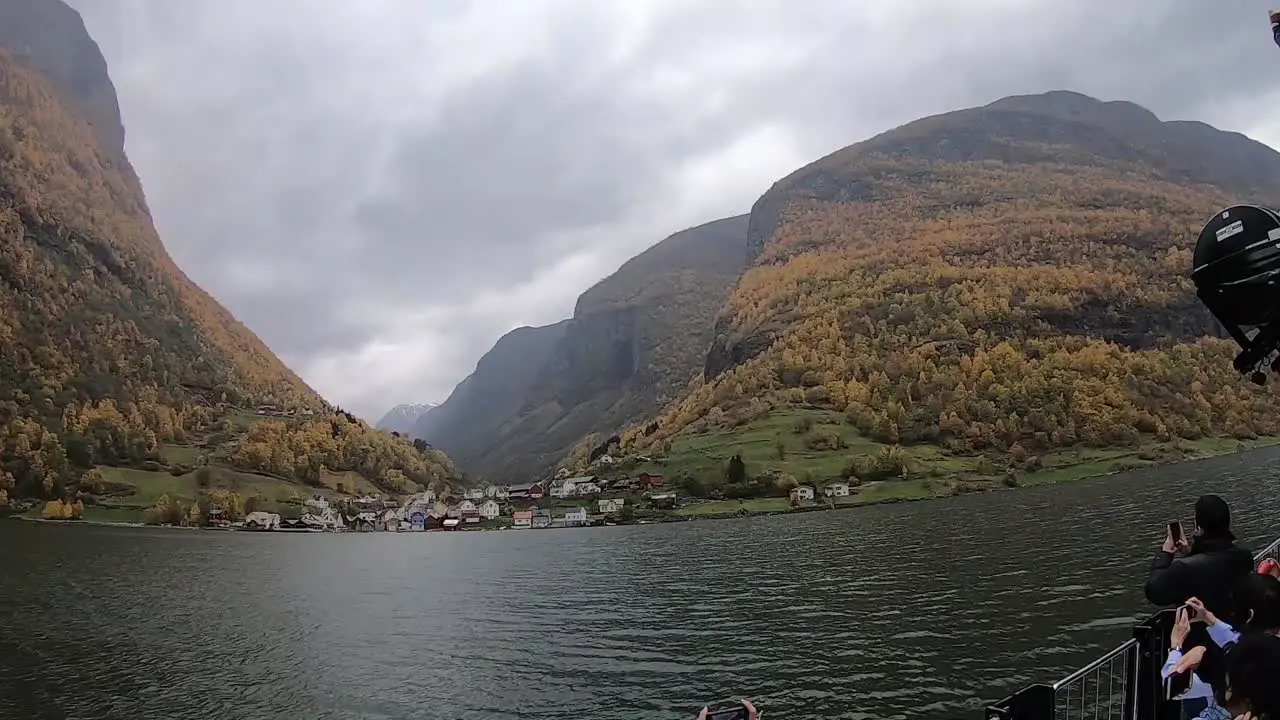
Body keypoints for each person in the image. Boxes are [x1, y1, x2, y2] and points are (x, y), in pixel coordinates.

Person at [1145, 496, 1254, 623]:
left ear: (1199, 527)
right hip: (1237, 628)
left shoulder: (1182, 568)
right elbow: (1213, 566)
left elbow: (1154, 591)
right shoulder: (1244, 556)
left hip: (1200, 636)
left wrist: (1166, 554)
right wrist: (1190, 553)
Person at [1186, 575, 1280, 649]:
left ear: (1250, 615)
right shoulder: (1265, 648)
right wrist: (1207, 617)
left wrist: (1176, 647)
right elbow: (1235, 642)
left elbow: (1234, 646)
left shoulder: (1253, 661)